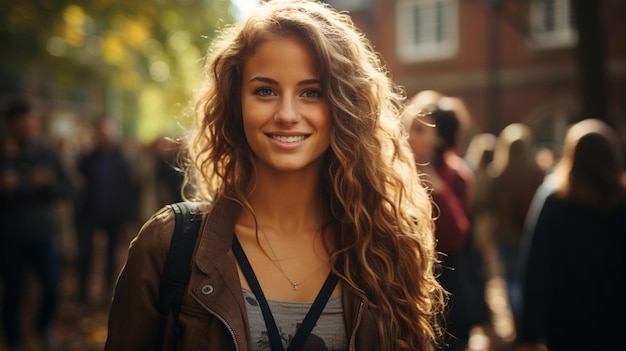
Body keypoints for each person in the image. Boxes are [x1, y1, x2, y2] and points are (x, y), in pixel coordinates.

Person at [105, 1, 446, 350]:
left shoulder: (387, 247)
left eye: (311, 92)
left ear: (346, 107)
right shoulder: (168, 247)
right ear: (234, 103)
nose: (286, 114)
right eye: (265, 90)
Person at [517, 118, 626, 351]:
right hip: (617, 320)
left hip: (567, 324)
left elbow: (536, 267)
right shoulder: (621, 201)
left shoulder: (555, 201)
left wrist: (530, 332)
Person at [402, 91, 489, 351]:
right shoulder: (396, 169)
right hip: (406, 293)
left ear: (439, 137)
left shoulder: (456, 175)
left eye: (419, 129)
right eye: (409, 127)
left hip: (449, 293)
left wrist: (436, 189)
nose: (408, 135)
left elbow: (456, 236)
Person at [0, 96, 75, 351]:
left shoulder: (48, 154)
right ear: (11, 125)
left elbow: (69, 189)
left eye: (30, 126)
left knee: (52, 287)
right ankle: (14, 339)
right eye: (21, 127)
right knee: (13, 291)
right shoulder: (4, 153)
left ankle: (43, 329)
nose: (27, 131)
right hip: (9, 236)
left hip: (43, 234)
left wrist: (48, 183)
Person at [479, 123, 544, 321]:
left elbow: (488, 208)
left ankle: (519, 320)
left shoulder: (498, 174)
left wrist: (487, 240)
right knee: (531, 279)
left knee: (512, 280)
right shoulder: (538, 172)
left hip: (506, 236)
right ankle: (531, 319)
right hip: (531, 233)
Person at [74, 117, 140, 306]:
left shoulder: (123, 161)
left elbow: (130, 192)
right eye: (101, 133)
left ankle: (108, 294)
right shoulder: (86, 159)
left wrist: (130, 219)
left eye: (108, 133)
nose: (105, 136)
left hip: (114, 216)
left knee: (112, 256)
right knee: (85, 253)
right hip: (90, 214)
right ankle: (82, 294)